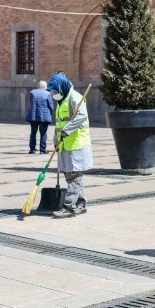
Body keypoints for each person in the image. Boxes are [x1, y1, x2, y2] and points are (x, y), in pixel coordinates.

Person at [48, 73, 92, 218]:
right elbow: (59, 123)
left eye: (55, 91)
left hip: (77, 144)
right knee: (71, 175)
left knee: (74, 176)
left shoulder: (75, 98)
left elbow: (81, 116)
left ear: (62, 88)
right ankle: (81, 204)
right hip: (65, 144)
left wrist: (67, 130)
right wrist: (56, 138)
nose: (53, 94)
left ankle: (69, 207)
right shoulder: (62, 101)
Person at [26, 80, 54, 154]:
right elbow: (51, 106)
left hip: (33, 116)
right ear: (45, 86)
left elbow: (31, 102)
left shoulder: (32, 93)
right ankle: (42, 149)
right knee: (43, 133)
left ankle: (32, 149)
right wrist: (51, 113)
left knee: (33, 133)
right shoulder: (48, 94)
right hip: (44, 116)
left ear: (38, 86)